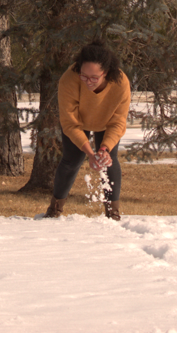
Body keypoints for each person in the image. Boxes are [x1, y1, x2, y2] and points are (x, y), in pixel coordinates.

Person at [46, 40, 131, 221]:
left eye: (94, 78)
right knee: (72, 160)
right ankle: (54, 209)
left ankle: (112, 212)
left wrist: (103, 149)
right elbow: (70, 123)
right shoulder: (69, 79)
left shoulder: (120, 82)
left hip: (106, 122)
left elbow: (118, 122)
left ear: (106, 73)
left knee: (109, 160)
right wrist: (89, 152)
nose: (88, 82)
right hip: (79, 121)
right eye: (84, 76)